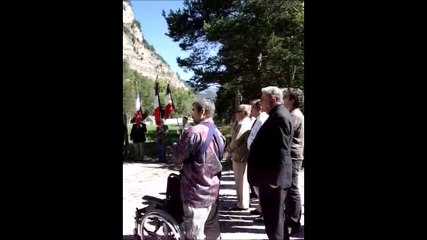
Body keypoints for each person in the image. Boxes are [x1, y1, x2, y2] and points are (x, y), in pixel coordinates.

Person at [171, 99, 225, 240]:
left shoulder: (194, 132)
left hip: (195, 193)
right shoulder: (219, 134)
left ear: (202, 112)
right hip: (213, 190)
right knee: (212, 230)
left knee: (194, 234)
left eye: (194, 110)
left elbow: (177, 158)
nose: (192, 113)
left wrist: (176, 147)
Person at [247, 86, 294, 240]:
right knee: (275, 221)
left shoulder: (280, 117)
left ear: (272, 100)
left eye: (263, 99)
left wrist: (275, 179)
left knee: (275, 222)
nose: (261, 102)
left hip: (273, 180)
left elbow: (282, 150)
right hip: (269, 178)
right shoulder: (276, 115)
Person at [283, 88, 304, 235]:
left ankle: (294, 222)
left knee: (293, 189)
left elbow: (287, 134)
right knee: (290, 188)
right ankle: (290, 218)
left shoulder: (295, 115)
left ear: (292, 100)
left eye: (286, 98)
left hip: (294, 156)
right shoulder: (292, 114)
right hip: (292, 155)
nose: (283, 100)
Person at [246, 99, 269, 219]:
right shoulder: (257, 119)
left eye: (253, 108)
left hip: (259, 156)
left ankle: (264, 211)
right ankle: (260, 207)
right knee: (259, 183)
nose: (251, 110)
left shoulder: (263, 119)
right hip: (254, 154)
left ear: (259, 108)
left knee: (262, 184)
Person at [227, 104, 252, 210]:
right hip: (242, 154)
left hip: (241, 155)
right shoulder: (246, 122)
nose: (235, 113)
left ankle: (242, 203)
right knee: (241, 179)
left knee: (241, 180)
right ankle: (242, 202)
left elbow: (236, 140)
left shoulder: (243, 124)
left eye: (237, 111)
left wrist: (228, 149)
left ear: (242, 113)